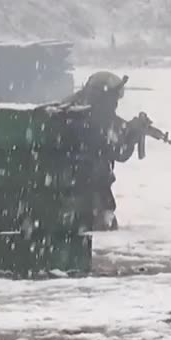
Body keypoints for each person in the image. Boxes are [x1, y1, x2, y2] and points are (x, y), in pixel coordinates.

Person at [62, 71, 148, 230]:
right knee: (105, 221)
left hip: (71, 185)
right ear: (102, 98)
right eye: (113, 100)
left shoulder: (76, 108)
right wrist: (132, 137)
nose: (115, 105)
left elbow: (111, 129)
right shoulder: (85, 118)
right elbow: (117, 152)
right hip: (83, 190)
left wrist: (129, 130)